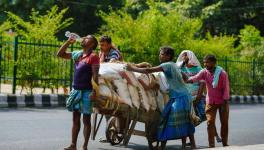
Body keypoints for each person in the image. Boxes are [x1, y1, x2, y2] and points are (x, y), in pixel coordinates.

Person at [126, 46, 196, 149]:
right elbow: (186, 78)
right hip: (182, 96)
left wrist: (132, 68)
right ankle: (186, 145)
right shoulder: (174, 65)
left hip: (179, 98)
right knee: (184, 121)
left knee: (168, 120)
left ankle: (167, 146)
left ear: (168, 56)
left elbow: (148, 70)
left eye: (162, 54)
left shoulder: (166, 65)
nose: (160, 55)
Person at [57, 34, 100, 150]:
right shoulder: (78, 54)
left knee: (86, 120)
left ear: (92, 44)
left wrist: (94, 92)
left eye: (87, 38)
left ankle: (84, 146)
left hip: (87, 92)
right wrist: (68, 42)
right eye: (84, 37)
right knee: (75, 119)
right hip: (76, 91)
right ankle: (73, 145)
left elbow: (95, 76)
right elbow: (60, 54)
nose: (84, 38)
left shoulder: (94, 56)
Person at [186, 54, 230, 148]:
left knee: (224, 123)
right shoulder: (204, 72)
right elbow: (195, 78)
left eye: (208, 62)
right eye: (204, 62)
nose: (206, 64)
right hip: (210, 101)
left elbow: (226, 89)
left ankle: (225, 144)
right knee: (210, 122)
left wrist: (225, 103)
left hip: (223, 102)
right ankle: (211, 145)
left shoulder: (222, 73)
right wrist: (186, 80)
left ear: (214, 63)